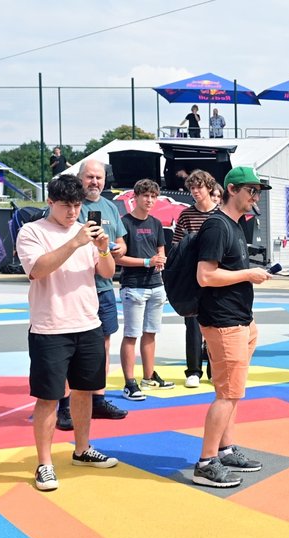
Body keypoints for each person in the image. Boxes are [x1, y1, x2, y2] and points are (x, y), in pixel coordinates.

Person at [16, 174, 120, 491]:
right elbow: (37, 270)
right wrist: (74, 242)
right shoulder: (32, 232)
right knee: (48, 398)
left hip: (88, 323)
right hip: (50, 328)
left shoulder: (85, 231)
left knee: (85, 391)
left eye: (77, 206)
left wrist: (102, 249)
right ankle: (44, 463)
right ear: (50, 202)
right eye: (66, 206)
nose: (73, 213)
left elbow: (107, 274)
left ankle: (82, 449)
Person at [192, 166, 273, 487]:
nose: (255, 196)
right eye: (250, 190)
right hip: (224, 322)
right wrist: (249, 274)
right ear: (232, 190)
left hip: (239, 319)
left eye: (257, 191)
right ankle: (207, 461)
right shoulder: (218, 226)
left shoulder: (236, 226)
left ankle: (224, 449)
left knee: (232, 392)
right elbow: (205, 276)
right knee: (227, 394)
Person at [57, 160, 128, 431]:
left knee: (103, 346)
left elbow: (121, 242)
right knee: (69, 348)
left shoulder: (110, 207)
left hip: (104, 288)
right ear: (80, 178)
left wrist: (116, 250)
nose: (95, 182)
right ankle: (64, 406)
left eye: (99, 177)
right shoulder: (69, 206)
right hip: (74, 288)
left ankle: (98, 398)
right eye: (90, 177)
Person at [118, 179, 174, 399]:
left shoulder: (156, 223)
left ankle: (149, 375)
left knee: (151, 333)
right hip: (133, 286)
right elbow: (119, 258)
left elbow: (161, 252)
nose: (149, 200)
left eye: (153, 196)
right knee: (131, 334)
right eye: (145, 196)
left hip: (156, 285)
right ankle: (129, 382)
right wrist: (145, 262)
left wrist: (160, 261)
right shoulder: (125, 223)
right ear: (136, 198)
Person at [172, 170, 222, 387]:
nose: (195, 192)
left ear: (209, 188)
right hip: (192, 276)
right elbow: (176, 245)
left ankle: (215, 369)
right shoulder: (186, 215)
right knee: (192, 323)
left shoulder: (221, 214)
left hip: (217, 275)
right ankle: (193, 370)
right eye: (192, 188)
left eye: (199, 187)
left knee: (217, 324)